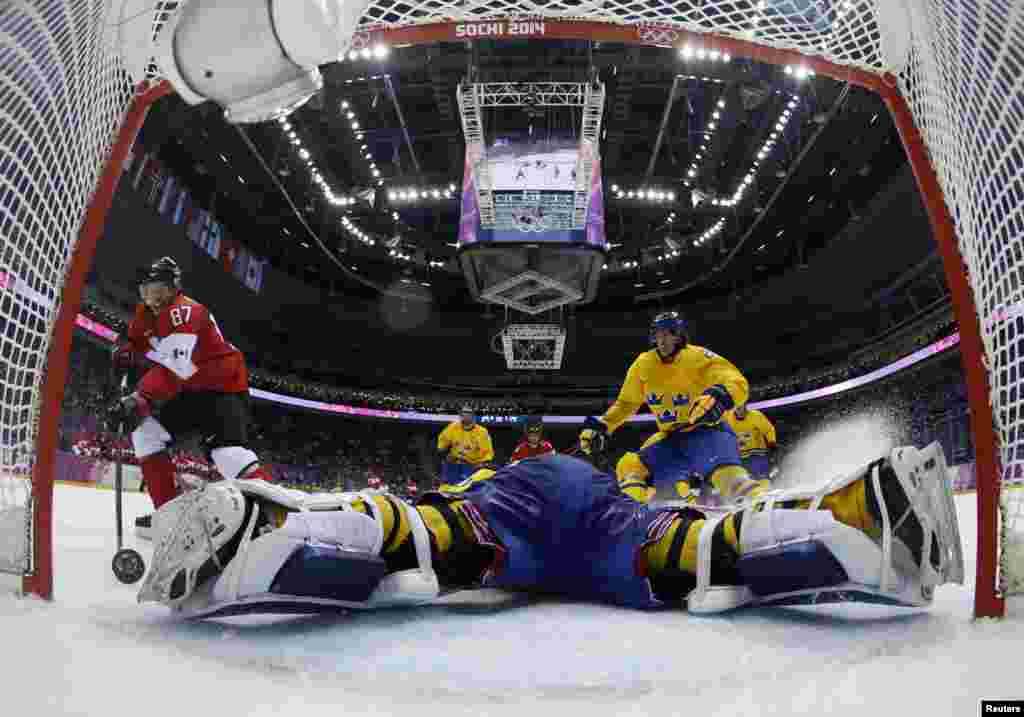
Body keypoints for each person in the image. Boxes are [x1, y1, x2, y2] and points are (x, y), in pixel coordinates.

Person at [137, 442, 964, 620]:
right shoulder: (619, 473)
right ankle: (867, 506)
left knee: (426, 534)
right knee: (692, 551)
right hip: (601, 515)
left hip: (518, 510)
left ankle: (260, 521)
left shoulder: (489, 470)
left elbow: (450, 501)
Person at [111, 257, 272, 538]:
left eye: (160, 290)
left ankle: (274, 515)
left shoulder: (185, 311)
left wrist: (138, 398)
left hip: (221, 387)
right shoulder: (145, 312)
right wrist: (126, 350)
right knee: (145, 434)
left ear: (174, 288)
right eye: (147, 291)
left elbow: (174, 370)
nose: (153, 298)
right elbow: (137, 342)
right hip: (188, 388)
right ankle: (171, 517)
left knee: (227, 454)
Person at [579, 311, 768, 505]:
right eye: (658, 335)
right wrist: (603, 425)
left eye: (668, 334)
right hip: (671, 438)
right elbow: (627, 403)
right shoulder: (642, 364)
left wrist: (721, 394)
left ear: (679, 336)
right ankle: (641, 512)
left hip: (707, 432)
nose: (662, 340)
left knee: (728, 479)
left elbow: (737, 381)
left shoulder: (698, 357)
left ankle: (760, 504)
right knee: (630, 466)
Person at [436, 405, 494, 484]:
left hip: (471, 465)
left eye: (468, 413)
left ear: (473, 416)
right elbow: (442, 442)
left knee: (468, 489)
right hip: (454, 464)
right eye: (463, 413)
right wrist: (445, 454)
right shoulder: (453, 427)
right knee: (448, 486)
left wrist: (482, 464)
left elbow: (487, 452)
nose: (465, 415)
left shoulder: (482, 432)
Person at [724, 404, 778, 480]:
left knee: (762, 479)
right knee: (745, 480)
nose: (739, 410)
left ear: (745, 406)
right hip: (740, 458)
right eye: (737, 407)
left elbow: (768, 429)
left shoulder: (755, 416)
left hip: (758, 454)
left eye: (741, 407)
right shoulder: (727, 417)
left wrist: (771, 442)